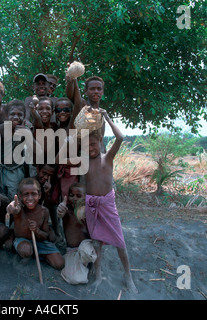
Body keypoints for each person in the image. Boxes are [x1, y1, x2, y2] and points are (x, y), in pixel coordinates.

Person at [84, 108, 138, 294]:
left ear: (100, 142)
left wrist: (106, 117)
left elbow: (120, 137)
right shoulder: (83, 162)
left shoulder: (108, 157)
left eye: (93, 144)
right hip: (91, 206)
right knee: (97, 243)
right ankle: (98, 275)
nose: (90, 148)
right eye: (86, 145)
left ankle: (128, 275)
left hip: (107, 205)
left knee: (119, 242)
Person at [7, 178, 64, 270]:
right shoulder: (19, 209)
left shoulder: (44, 211)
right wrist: (11, 208)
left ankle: (38, 254)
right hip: (23, 241)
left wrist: (37, 230)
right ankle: (28, 255)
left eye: (33, 194)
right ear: (20, 196)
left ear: (40, 195)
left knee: (59, 264)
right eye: (26, 194)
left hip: (39, 241)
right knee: (26, 250)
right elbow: (13, 208)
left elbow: (45, 235)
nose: (30, 198)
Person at [0, 99, 40, 200]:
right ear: (6, 116)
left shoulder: (25, 129)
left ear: (23, 117)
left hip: (16, 170)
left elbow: (38, 151)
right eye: (12, 114)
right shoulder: (1, 129)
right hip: (0, 170)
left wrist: (28, 135)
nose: (16, 117)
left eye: (19, 114)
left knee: (14, 199)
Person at [57, 182, 89, 248]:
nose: (74, 198)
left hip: (88, 249)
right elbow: (62, 213)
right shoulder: (67, 211)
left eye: (79, 196)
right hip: (72, 250)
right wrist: (60, 210)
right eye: (71, 195)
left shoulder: (89, 211)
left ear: (86, 197)